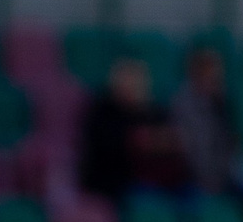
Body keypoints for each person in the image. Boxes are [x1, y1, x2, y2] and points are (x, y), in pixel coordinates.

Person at [74, 57, 179, 203]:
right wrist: (140, 140)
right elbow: (107, 151)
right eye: (126, 81)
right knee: (149, 204)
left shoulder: (155, 112)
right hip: (117, 184)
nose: (131, 86)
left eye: (136, 82)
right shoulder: (102, 112)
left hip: (161, 181)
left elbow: (171, 143)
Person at [168, 46, 236, 196]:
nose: (216, 78)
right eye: (210, 73)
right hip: (191, 181)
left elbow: (229, 149)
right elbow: (193, 153)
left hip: (222, 180)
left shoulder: (221, 103)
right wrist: (212, 184)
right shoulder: (183, 105)